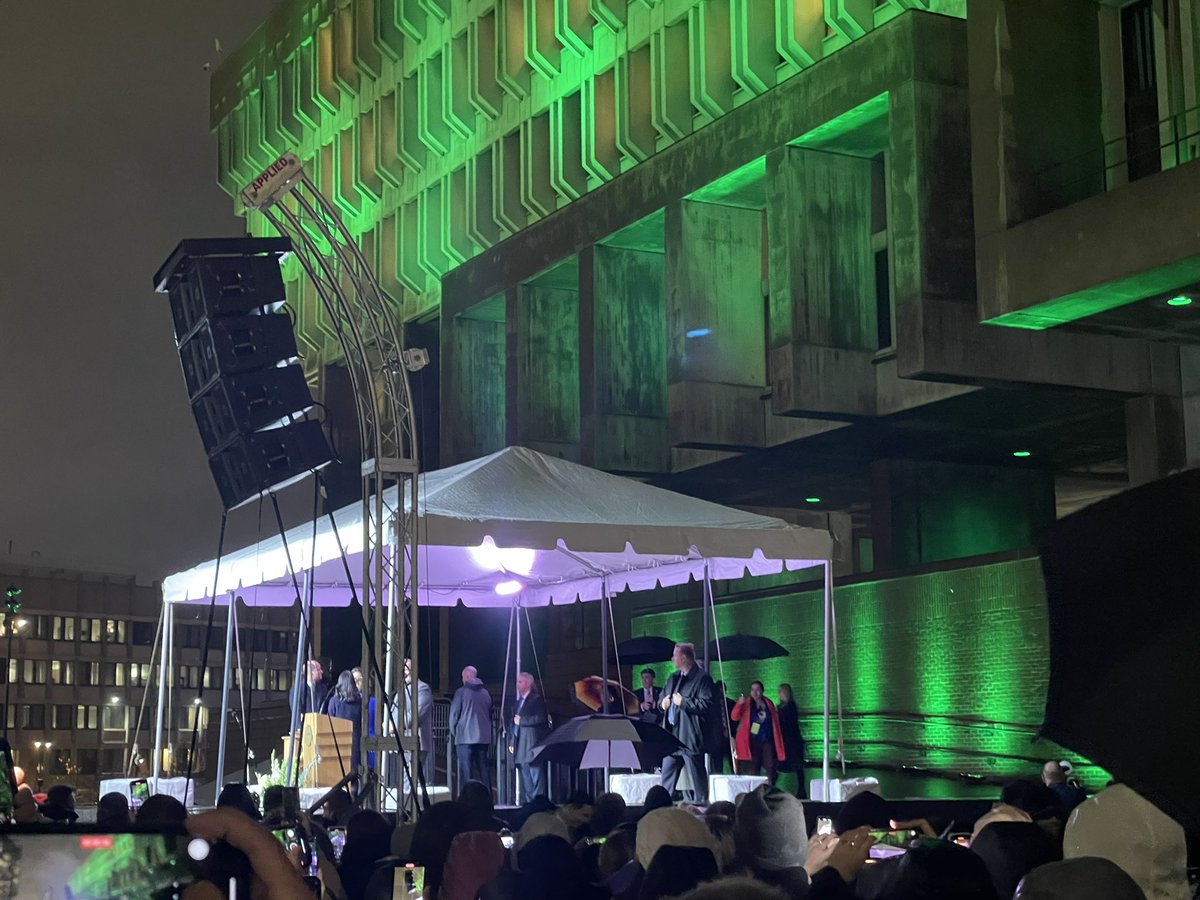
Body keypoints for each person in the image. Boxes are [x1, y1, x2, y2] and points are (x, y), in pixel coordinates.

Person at [658, 642, 716, 803]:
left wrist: (684, 702)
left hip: (689, 736)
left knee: (697, 776)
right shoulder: (673, 678)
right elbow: (661, 698)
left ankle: (702, 805)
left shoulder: (702, 678)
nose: (672, 659)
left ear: (684, 658)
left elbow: (707, 704)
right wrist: (662, 704)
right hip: (671, 737)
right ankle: (662, 807)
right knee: (667, 775)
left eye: (675, 656)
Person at [449, 664, 494, 792]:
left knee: (466, 772)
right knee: (484, 770)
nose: (462, 680)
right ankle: (488, 799)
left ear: (467, 677)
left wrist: (454, 732)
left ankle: (467, 800)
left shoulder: (461, 692)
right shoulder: (486, 693)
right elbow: (490, 714)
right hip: (483, 738)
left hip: (464, 738)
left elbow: (454, 715)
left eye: (463, 677)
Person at [731, 681, 786, 785]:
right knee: (753, 767)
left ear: (762, 691)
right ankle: (754, 791)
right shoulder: (747, 703)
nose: (755, 692)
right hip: (751, 741)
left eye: (757, 690)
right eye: (752, 690)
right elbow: (734, 717)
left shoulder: (768, 703)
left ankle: (769, 788)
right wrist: (739, 703)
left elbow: (774, 720)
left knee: (770, 765)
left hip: (766, 739)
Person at [509, 671, 550, 800]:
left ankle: (538, 801)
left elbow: (540, 718)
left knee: (535, 774)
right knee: (525, 773)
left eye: (520, 682)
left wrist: (523, 721)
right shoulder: (518, 702)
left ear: (528, 684)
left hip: (532, 743)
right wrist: (512, 741)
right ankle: (529, 801)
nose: (517, 684)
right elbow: (513, 724)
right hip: (520, 743)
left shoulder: (537, 700)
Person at [401, 657, 434, 786]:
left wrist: (397, 725)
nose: (405, 671)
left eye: (407, 668)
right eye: (403, 669)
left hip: (417, 741)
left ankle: (412, 805)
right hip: (405, 741)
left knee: (411, 779)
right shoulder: (403, 689)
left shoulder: (423, 689)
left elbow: (416, 714)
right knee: (407, 778)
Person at [327, 669, 364, 775]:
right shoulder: (359, 702)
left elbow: (328, 722)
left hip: (338, 741)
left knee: (339, 773)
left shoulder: (334, 701)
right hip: (355, 741)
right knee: (353, 772)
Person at [775, 683, 806, 797]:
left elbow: (789, 722)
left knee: (797, 765)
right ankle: (773, 784)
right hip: (785, 739)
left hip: (792, 739)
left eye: (781, 691)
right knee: (781, 764)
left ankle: (801, 788)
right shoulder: (781, 707)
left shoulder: (791, 706)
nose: (779, 694)